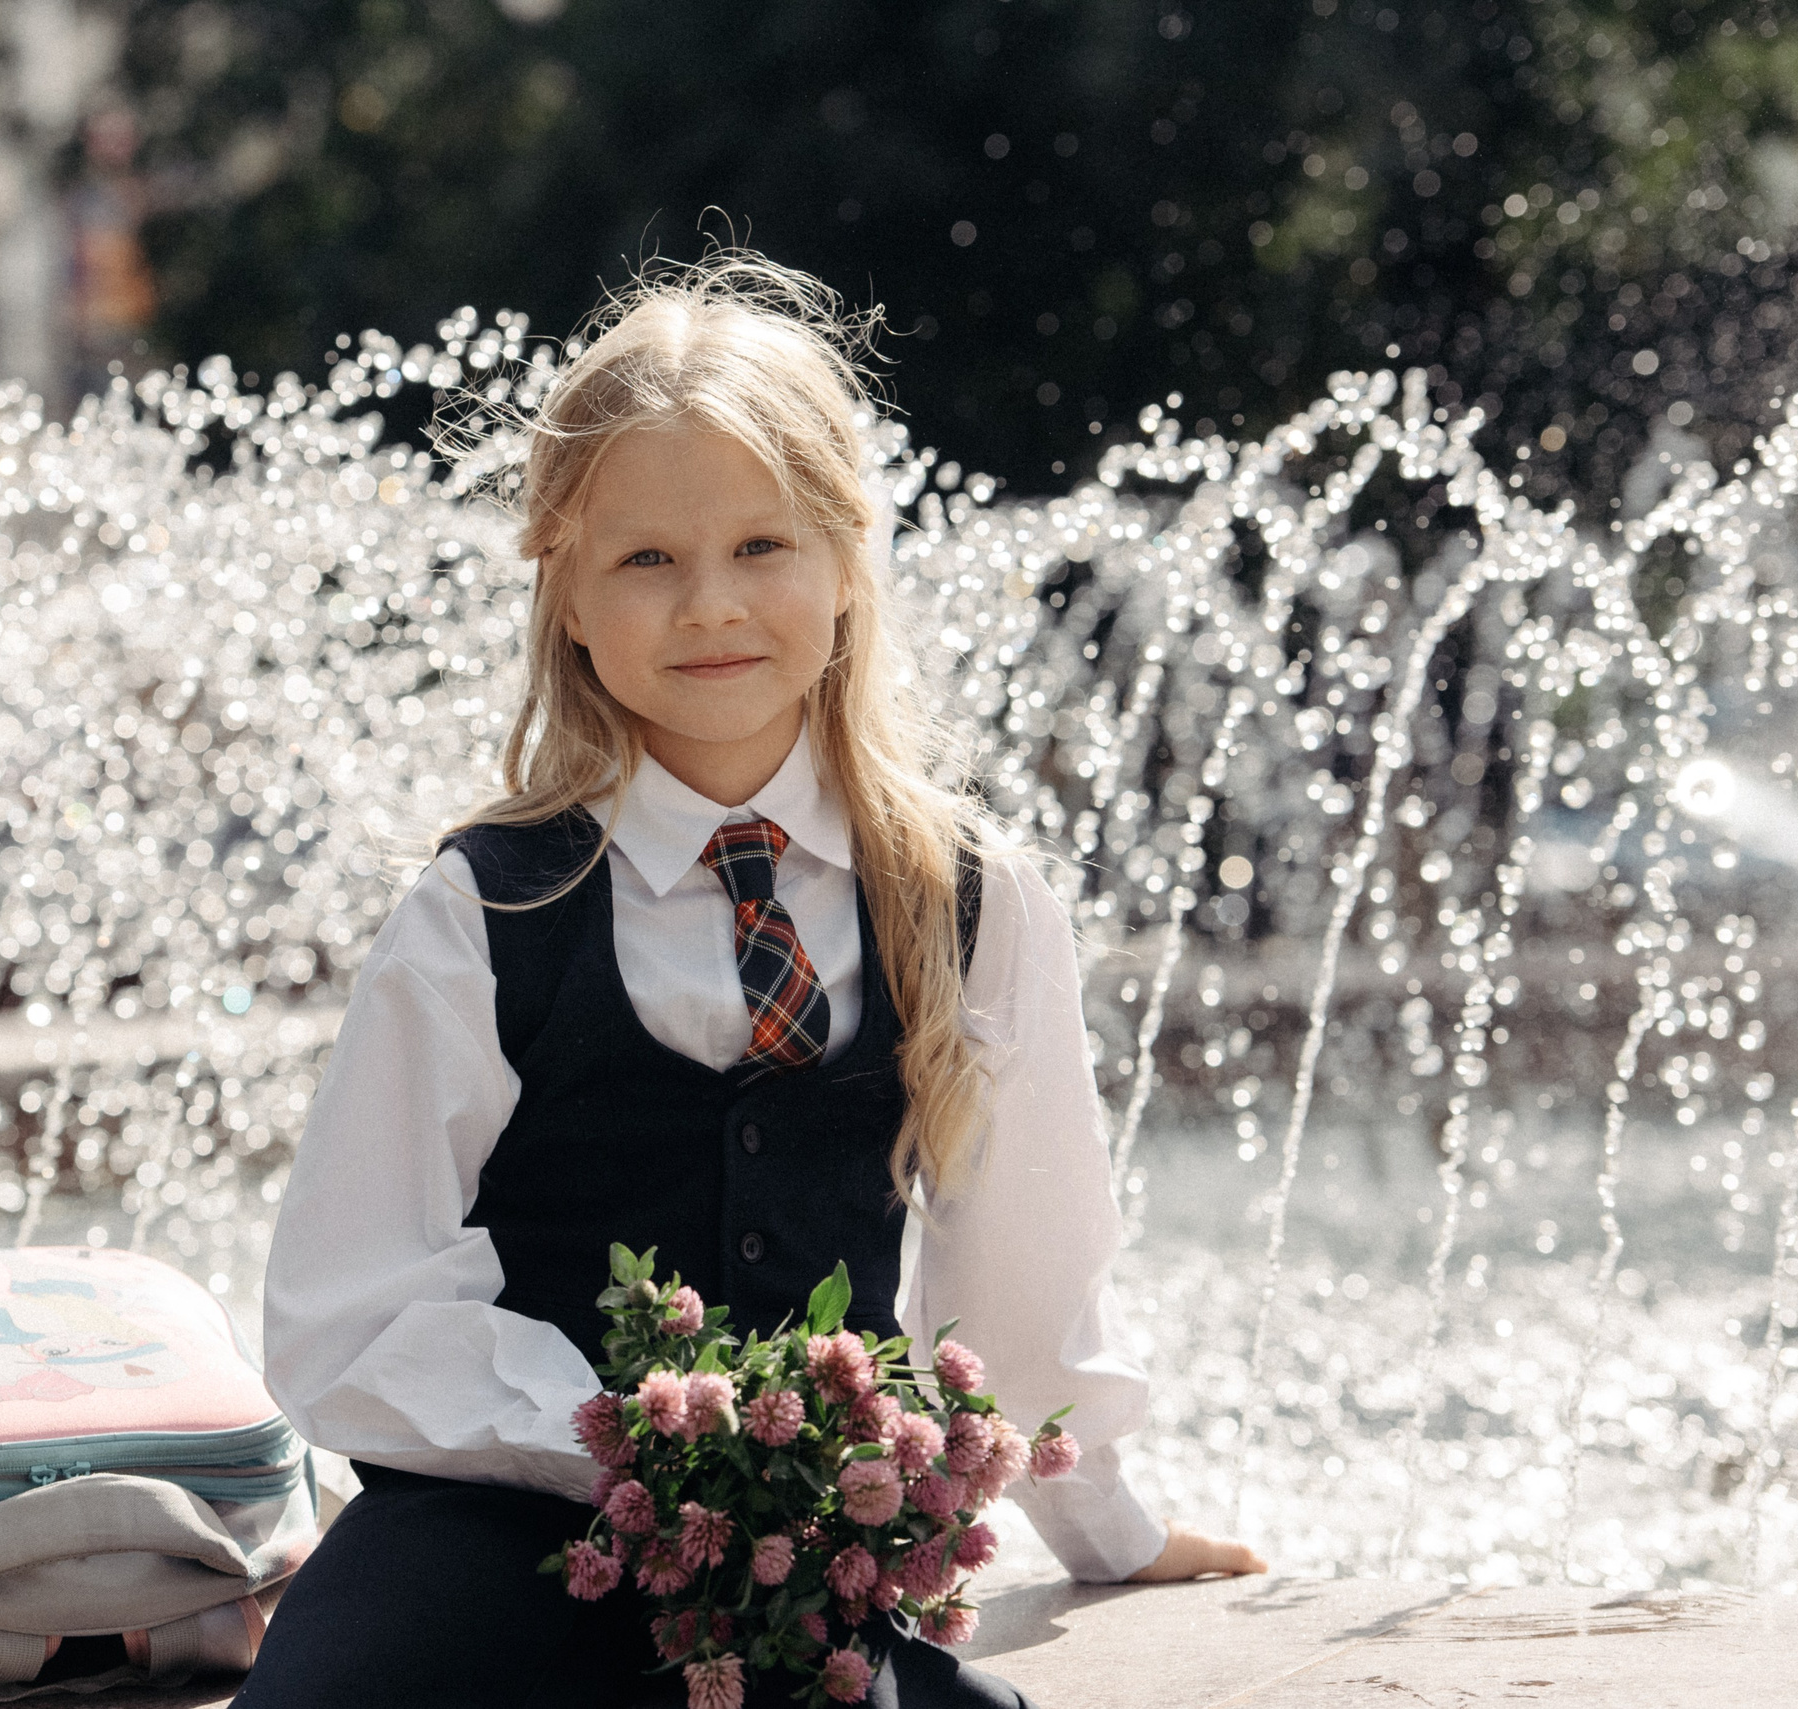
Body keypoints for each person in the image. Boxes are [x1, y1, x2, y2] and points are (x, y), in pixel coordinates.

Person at [238, 253, 1263, 1709]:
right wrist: (631, 1442)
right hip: (488, 1533)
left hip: (799, 1574)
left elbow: (1021, 1290)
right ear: (569, 594)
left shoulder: (970, 900)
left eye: (763, 546)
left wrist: (1107, 1524)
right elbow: (349, 1310)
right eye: (646, 559)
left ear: (848, 565)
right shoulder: (485, 910)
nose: (709, 603)